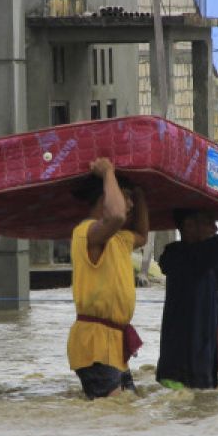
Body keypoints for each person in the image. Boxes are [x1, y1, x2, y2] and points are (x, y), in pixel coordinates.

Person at [156, 157, 218, 389]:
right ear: (189, 227)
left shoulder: (204, 263)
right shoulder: (186, 258)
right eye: (209, 223)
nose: (214, 229)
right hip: (180, 373)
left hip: (202, 369)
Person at [67, 157, 149, 399]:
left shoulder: (120, 239)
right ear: (106, 197)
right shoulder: (87, 232)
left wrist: (141, 190)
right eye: (127, 198)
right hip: (94, 342)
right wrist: (108, 173)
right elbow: (117, 216)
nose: (131, 205)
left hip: (114, 341)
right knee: (113, 412)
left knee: (127, 407)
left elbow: (142, 235)